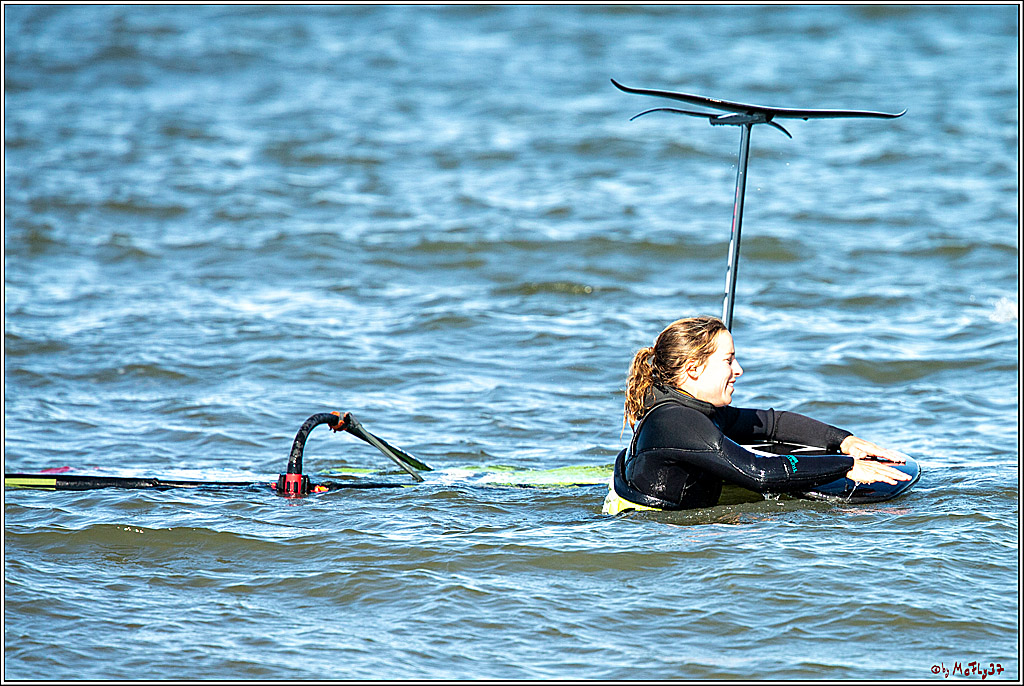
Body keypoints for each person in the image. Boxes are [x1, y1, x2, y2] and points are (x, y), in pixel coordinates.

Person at [603, 315, 910, 514]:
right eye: (728, 360)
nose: (738, 370)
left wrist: (844, 442)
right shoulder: (678, 422)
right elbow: (759, 473)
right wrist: (843, 467)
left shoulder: (691, 411)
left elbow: (773, 423)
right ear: (693, 370)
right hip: (650, 535)